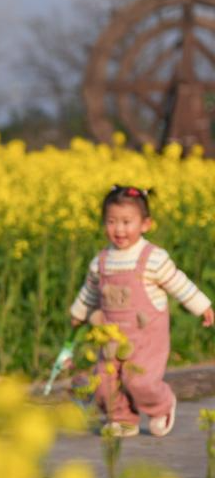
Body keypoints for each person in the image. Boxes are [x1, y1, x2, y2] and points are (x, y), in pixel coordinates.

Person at [70, 184, 213, 437]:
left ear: (145, 224)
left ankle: (162, 405)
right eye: (112, 222)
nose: (119, 229)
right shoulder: (101, 261)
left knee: (139, 381)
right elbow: (90, 291)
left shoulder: (153, 258)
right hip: (111, 338)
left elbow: (178, 283)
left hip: (146, 336)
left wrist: (203, 307)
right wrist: (79, 313)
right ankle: (122, 419)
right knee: (104, 382)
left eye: (127, 222)